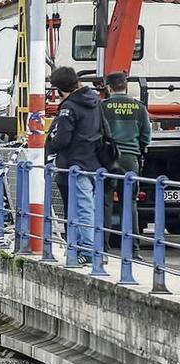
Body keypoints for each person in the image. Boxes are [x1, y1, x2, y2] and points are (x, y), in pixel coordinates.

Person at [46, 66, 102, 265]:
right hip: (94, 161)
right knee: (89, 206)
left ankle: (87, 249)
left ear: (60, 89)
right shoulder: (95, 101)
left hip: (75, 163)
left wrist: (50, 144)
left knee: (81, 208)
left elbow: (62, 138)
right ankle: (88, 247)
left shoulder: (69, 106)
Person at [102, 71, 151, 260]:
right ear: (126, 85)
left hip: (108, 159)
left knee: (105, 202)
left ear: (109, 87)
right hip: (130, 159)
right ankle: (133, 250)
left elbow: (97, 133)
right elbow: (146, 136)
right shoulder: (139, 108)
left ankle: (103, 249)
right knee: (129, 203)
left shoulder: (103, 107)